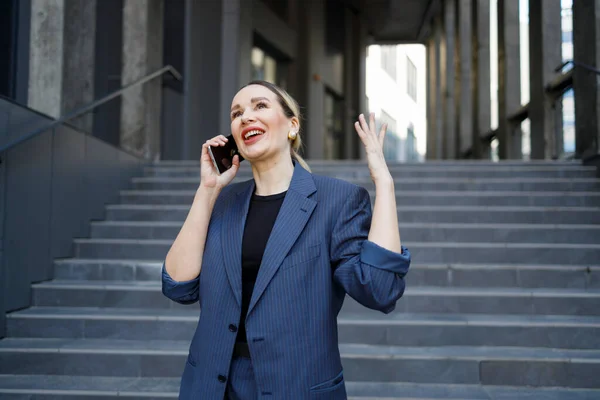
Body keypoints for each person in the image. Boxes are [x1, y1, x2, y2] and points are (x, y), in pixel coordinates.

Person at [161, 80, 411, 400]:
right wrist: (207, 190)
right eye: (237, 113)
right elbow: (177, 286)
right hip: (212, 385)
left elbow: (379, 288)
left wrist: (384, 183)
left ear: (292, 125)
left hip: (296, 385)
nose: (246, 117)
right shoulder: (222, 203)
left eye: (260, 106)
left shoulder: (337, 200)